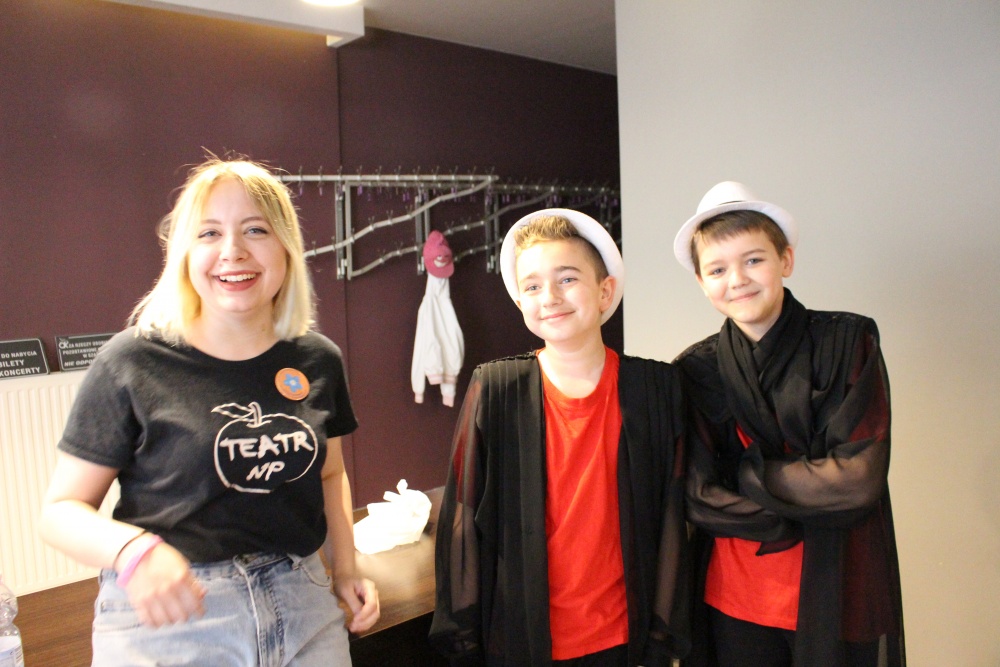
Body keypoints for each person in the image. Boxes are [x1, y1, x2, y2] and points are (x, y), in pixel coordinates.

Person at [39, 157, 379, 666]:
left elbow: (330, 474)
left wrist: (346, 568)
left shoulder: (317, 359)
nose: (232, 251)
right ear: (184, 254)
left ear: (286, 247)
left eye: (256, 229)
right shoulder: (130, 361)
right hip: (174, 617)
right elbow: (60, 512)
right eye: (209, 233)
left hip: (302, 602)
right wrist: (134, 552)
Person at [430, 209, 690, 667]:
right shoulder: (495, 389)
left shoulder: (656, 388)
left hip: (624, 642)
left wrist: (662, 639)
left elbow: (673, 519)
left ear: (605, 290)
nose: (549, 297)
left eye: (567, 279)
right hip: (524, 642)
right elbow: (462, 522)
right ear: (520, 302)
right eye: (532, 286)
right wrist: (463, 644)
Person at [671, 181, 905, 667]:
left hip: (835, 589)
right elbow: (698, 495)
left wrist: (745, 476)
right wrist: (802, 496)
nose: (737, 279)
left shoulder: (847, 342)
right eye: (717, 269)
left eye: (754, 260)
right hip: (734, 598)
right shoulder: (696, 369)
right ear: (701, 282)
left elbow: (858, 478)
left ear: (786, 260)